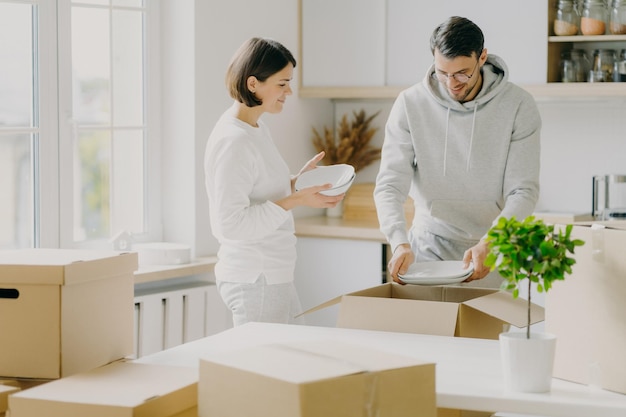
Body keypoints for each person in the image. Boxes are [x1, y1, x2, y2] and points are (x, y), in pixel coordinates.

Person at [374, 16, 541, 288]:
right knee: (427, 329)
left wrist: (492, 242)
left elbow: (523, 191)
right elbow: (390, 184)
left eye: (463, 73)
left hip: (489, 248)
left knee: (484, 330)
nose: (452, 83)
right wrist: (398, 241)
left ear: (482, 57)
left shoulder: (518, 105)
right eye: (443, 73)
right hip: (427, 246)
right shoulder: (410, 103)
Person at [204, 37, 343, 326]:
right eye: (282, 84)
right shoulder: (234, 141)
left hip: (271, 275)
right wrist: (296, 200)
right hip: (256, 276)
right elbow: (229, 224)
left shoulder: (255, 129)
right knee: (268, 366)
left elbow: (260, 193)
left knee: (289, 363)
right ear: (253, 83)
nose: (289, 91)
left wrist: (295, 184)